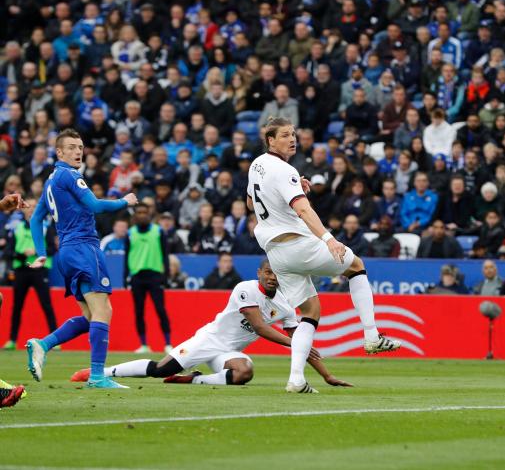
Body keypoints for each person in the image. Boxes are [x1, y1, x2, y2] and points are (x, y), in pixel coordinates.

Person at [247, 117, 399, 393]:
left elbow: (250, 202)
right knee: (356, 266)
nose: (291, 139)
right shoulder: (285, 170)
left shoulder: (256, 165)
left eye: (293, 134)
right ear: (271, 140)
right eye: (284, 135)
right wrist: (329, 239)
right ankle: (371, 335)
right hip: (298, 245)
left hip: (276, 254)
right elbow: (304, 210)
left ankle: (296, 379)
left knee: (309, 311)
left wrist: (290, 188)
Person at [70, 259, 351, 388]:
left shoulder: (286, 307)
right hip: (209, 340)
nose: (272, 278)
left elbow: (302, 348)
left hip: (228, 353)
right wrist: (296, 341)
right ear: (259, 273)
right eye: (267, 272)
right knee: (159, 369)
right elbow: (260, 327)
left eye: (277, 274)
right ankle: (102, 372)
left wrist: (326, 376)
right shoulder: (246, 288)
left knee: (244, 372)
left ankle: (193, 380)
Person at [25, 129, 138, 389]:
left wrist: (42, 252)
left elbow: (35, 218)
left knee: (90, 317)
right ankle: (97, 377)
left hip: (66, 251)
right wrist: (125, 201)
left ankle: (43, 344)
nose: (78, 151)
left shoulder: (51, 180)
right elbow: (95, 205)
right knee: (104, 310)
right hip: (84, 247)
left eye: (81, 146)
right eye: (72, 147)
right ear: (60, 152)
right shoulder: (70, 175)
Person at [3, 198, 57, 350]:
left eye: (35, 206)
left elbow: (53, 249)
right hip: (22, 270)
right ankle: (12, 340)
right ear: (23, 209)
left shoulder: (46, 227)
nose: (32, 209)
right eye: (29, 206)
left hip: (40, 270)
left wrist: (37, 252)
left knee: (46, 305)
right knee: (17, 306)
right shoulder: (16, 228)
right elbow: (8, 251)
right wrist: (22, 254)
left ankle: (55, 340)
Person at [124, 204, 172, 354]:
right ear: (135, 215)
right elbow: (126, 256)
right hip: (137, 276)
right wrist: (124, 277)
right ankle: (144, 345)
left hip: (155, 276)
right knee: (139, 311)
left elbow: (165, 255)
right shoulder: (130, 233)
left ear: (149, 214)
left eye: (145, 212)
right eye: (139, 212)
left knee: (160, 310)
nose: (142, 215)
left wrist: (166, 276)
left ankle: (168, 344)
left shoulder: (158, 231)